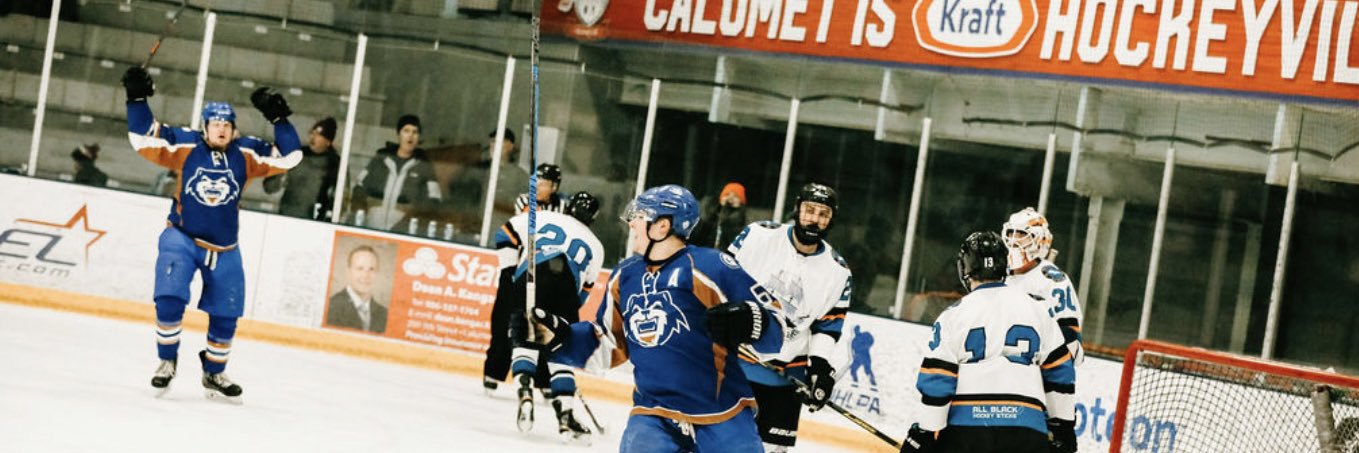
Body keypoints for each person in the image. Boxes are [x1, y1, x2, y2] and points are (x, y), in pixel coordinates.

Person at [528, 184, 785, 452]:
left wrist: (756, 321)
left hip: (722, 411)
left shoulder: (712, 267)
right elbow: (610, 345)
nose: (632, 225)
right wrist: (558, 338)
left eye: (639, 217)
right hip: (654, 415)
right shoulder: (625, 276)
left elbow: (776, 330)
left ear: (662, 226)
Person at [122, 65, 301, 404]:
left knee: (226, 312)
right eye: (215, 123)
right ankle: (167, 360)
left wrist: (280, 120)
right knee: (170, 295)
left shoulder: (246, 152)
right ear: (204, 126)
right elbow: (142, 136)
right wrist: (136, 98)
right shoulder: (186, 144)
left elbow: (291, 156)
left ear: (234, 130)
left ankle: (214, 371)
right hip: (182, 236)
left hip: (225, 247)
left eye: (227, 124)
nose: (221, 129)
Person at [901, 232, 1076, 453]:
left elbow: (938, 378)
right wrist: (1063, 428)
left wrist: (926, 431)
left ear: (965, 269)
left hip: (968, 432)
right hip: (1027, 430)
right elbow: (1061, 373)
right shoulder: (1037, 309)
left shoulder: (953, 315)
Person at [727, 182, 852, 452]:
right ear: (797, 210)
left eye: (823, 214)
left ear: (831, 220)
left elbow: (828, 326)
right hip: (733, 365)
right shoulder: (757, 236)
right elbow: (719, 281)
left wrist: (819, 368)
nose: (814, 219)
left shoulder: (838, 272)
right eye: (809, 210)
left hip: (783, 377)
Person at [482, 191, 605, 440]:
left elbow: (503, 234)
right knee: (561, 352)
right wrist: (564, 319)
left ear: (568, 208)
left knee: (525, 337)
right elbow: (585, 290)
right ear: (593, 218)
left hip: (535, 274)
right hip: (568, 288)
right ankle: (566, 415)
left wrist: (509, 271)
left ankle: (525, 389)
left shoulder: (545, 215)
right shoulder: (596, 244)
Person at [1003, 207, 1084, 366]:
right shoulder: (997, 273)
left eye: (1022, 235)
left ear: (1040, 240)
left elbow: (1071, 339)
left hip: (1034, 373)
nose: (1014, 240)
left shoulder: (1052, 281)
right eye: (1011, 233)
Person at [355, 114, 442, 230]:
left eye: (415, 132)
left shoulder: (424, 165)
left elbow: (433, 200)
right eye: (406, 131)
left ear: (418, 138)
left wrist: (406, 225)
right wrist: (360, 218)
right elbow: (359, 188)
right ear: (399, 134)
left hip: (403, 233)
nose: (410, 136)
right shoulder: (380, 159)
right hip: (370, 228)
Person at [263, 117, 341, 220]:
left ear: (328, 141)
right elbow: (270, 187)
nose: (313, 137)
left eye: (319, 135)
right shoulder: (297, 154)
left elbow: (341, 197)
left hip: (315, 221)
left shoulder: (334, 163)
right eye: (312, 133)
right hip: (286, 214)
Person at [327, 245, 388, 334]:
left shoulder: (384, 314)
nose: (365, 275)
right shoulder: (330, 307)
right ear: (348, 272)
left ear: (377, 274)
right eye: (360, 268)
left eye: (371, 269)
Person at [691, 182, 749, 249]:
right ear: (721, 198)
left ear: (741, 202)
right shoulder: (712, 214)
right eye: (727, 195)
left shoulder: (742, 220)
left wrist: (727, 212)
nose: (730, 199)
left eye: (735, 196)